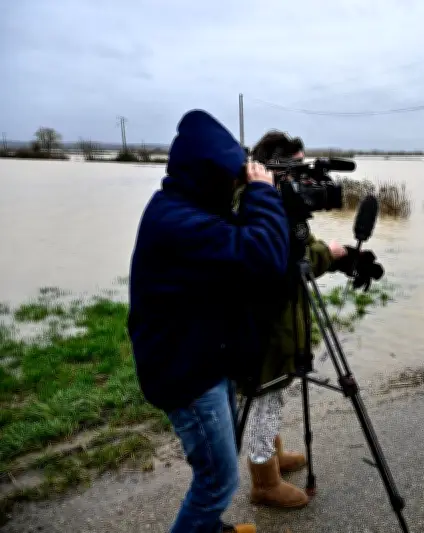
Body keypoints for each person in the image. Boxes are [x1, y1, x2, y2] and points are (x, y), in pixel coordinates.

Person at [128, 109, 290, 533]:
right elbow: (262, 259)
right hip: (187, 374)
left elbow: (245, 255)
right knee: (217, 480)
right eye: (233, 178)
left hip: (202, 356)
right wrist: (262, 194)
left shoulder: (187, 206)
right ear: (210, 175)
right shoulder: (177, 221)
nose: (238, 185)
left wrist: (269, 200)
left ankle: (208, 527)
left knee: (219, 467)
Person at [237, 130, 347, 509]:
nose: (304, 180)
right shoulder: (254, 207)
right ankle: (264, 480)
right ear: (275, 170)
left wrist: (328, 253)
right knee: (265, 395)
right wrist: (328, 254)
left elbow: (302, 245)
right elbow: (284, 261)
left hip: (283, 317)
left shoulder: (280, 205)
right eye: (296, 169)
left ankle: (272, 453)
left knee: (276, 391)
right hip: (266, 323)